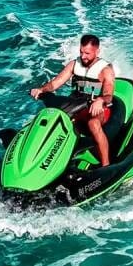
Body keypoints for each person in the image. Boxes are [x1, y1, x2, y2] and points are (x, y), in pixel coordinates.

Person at [30, 35, 115, 167]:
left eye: (87, 53)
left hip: (98, 108)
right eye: (81, 52)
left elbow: (109, 95)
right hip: (76, 106)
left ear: (97, 51)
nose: (83, 56)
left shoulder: (105, 70)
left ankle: (106, 165)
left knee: (93, 123)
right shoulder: (74, 65)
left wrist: (100, 100)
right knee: (52, 120)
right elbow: (55, 83)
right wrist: (41, 90)